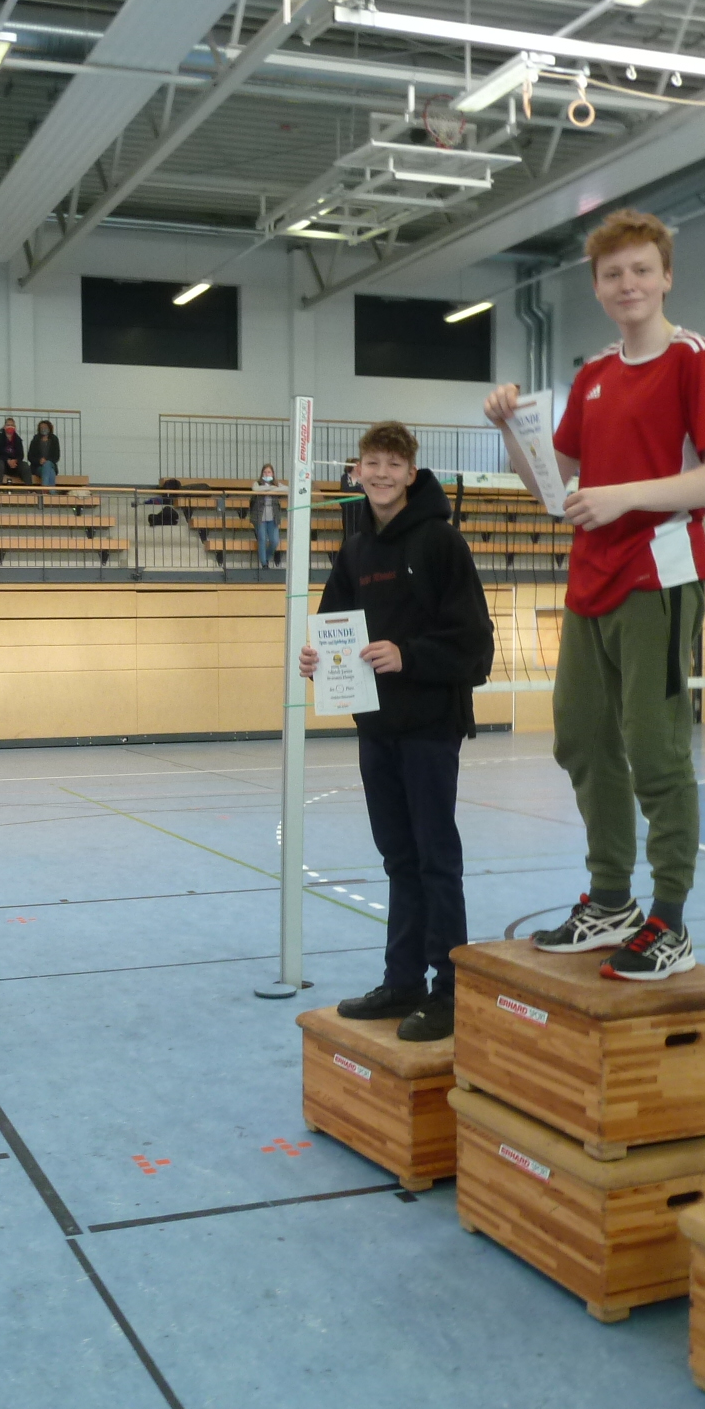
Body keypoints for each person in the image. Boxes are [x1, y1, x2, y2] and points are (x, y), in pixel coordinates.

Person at [488, 208, 705, 982]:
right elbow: (556, 485)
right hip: (589, 580)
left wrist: (625, 495)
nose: (627, 283)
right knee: (582, 738)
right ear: (597, 288)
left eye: (640, 270)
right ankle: (610, 901)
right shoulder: (595, 375)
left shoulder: (696, 358)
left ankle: (670, 919)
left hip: (659, 577)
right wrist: (511, 431)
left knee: (656, 748)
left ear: (665, 276)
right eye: (612, 274)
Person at [296, 422, 495, 1042]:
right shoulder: (355, 551)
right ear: (356, 472)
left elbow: (476, 647)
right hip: (376, 728)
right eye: (371, 464)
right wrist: (315, 659)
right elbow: (333, 625)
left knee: (436, 858)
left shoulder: (441, 543)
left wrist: (409, 656)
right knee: (398, 858)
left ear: (411, 472)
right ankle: (402, 980)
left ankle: (450, 990)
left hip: (431, 727)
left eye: (392, 464)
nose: (380, 474)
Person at [251, 463, 284, 569]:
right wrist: (271, 489)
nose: (267, 474)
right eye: (265, 472)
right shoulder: (257, 483)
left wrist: (272, 488)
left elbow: (286, 489)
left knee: (274, 541)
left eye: (269, 472)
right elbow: (256, 489)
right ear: (262, 474)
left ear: (272, 473)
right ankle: (264, 563)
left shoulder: (276, 484)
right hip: (260, 515)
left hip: (273, 515)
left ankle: (266, 557)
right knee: (262, 539)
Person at [0, 418, 26, 482]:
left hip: (13, 465)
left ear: (15, 427)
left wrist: (15, 461)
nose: (10, 427)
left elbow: (21, 455)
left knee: (25, 466)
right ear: (4, 427)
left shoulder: (18, 439)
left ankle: (29, 487)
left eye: (12, 425)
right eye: (8, 425)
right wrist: (7, 460)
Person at [29, 420, 62, 488]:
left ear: (49, 428)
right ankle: (51, 493)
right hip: (38, 467)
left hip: (51, 464)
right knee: (51, 472)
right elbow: (30, 456)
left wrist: (46, 461)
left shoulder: (54, 439)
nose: (43, 429)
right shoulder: (35, 439)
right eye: (41, 427)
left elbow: (56, 456)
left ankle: (44, 490)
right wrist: (39, 461)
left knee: (47, 464)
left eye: (45, 427)